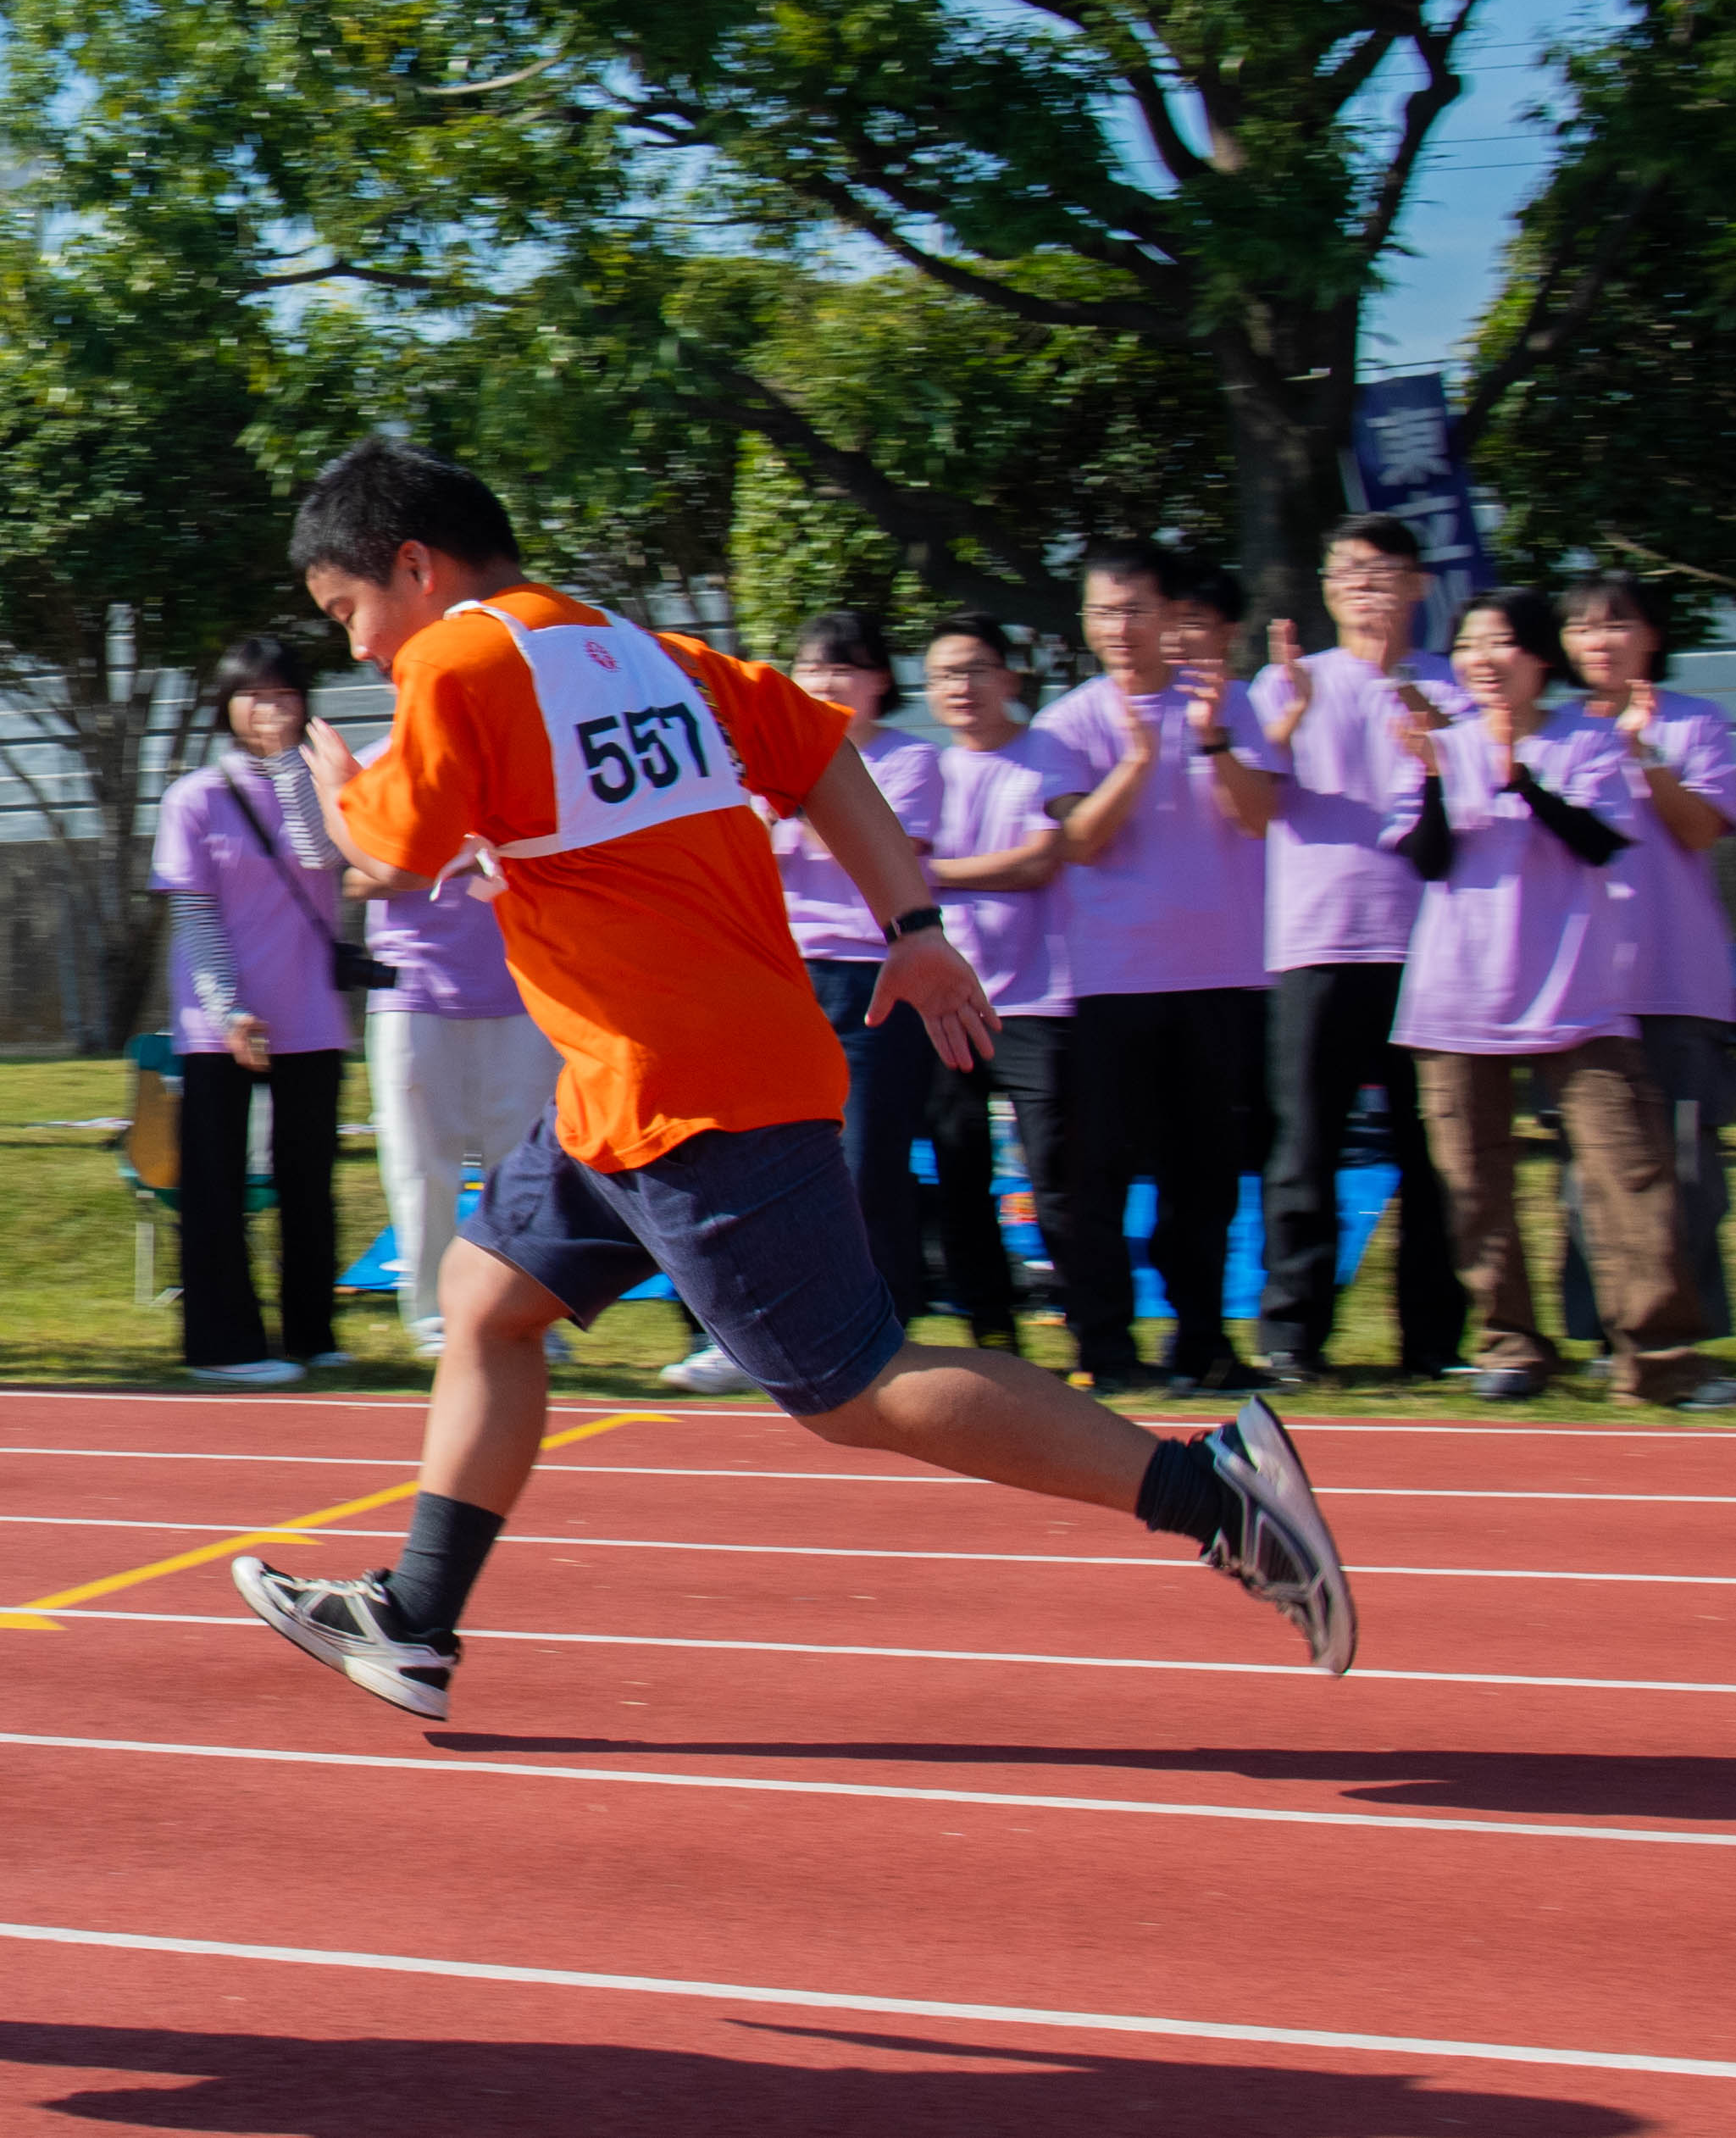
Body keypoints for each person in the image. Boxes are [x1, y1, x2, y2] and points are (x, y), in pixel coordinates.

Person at [227, 446, 1351, 1725]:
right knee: (483, 1298)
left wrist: (338, 793)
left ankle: (1218, 1498)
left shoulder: (456, 660)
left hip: (686, 1091)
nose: (361, 651)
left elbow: (396, 844)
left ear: (413, 566)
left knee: (853, 1384)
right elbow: (821, 759)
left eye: (348, 614)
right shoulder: (642, 653)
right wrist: (913, 923)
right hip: (632, 1079)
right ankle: (417, 1616)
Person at [1387, 588, 1726, 1409]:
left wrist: (1520, 782)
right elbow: (1424, 859)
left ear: (1538, 658)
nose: (1479, 659)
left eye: (1498, 643)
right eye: (1466, 646)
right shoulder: (1436, 742)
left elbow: (1602, 842)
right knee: (1474, 1184)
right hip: (1454, 995)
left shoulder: (1591, 739)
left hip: (1577, 992)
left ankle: (1655, 1353)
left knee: (1628, 1173)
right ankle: (1509, 1345)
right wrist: (1437, 776)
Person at [1033, 543, 1280, 1391]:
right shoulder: (1066, 722)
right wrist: (1136, 761)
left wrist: (1208, 740)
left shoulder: (1229, 705)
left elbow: (1257, 817)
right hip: (1109, 979)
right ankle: (1104, 1348)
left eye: (1134, 608)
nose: (1119, 628)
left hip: (1219, 973)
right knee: (1096, 1172)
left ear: (1172, 616)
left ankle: (1202, 1341)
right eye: (1102, 612)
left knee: (1203, 1175)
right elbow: (1078, 840)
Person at [1252, 516, 1470, 1385]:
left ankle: (1433, 1343)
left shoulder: (1454, 686)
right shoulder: (1287, 682)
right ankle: (1290, 1337)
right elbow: (1247, 795)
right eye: (1347, 572)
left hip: (1437, 951)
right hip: (1318, 942)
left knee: (1434, 1155)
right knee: (1305, 1144)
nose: (1365, 587)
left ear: (1418, 585)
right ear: (1326, 587)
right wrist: (1289, 712)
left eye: (1383, 573)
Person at [719, 608, 946, 1386]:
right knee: (769, 1158)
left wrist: (794, 804)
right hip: (783, 971)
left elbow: (856, 841)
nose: (823, 683)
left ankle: (885, 1325)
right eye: (809, 669)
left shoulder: (912, 761)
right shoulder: (764, 765)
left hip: (872, 975)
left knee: (866, 1163)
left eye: (842, 668)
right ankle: (767, 1329)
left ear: (880, 680)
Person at [153, 635, 358, 1386]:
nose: (269, 708)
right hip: (221, 1026)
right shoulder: (194, 799)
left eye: (284, 694)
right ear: (226, 706)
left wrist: (289, 767)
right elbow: (196, 915)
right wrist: (226, 1008)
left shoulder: (318, 784)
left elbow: (318, 857)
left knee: (309, 1181)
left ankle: (311, 1331)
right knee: (216, 1183)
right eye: (254, 695)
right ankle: (223, 1343)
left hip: (309, 1015)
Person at [1559, 573, 1735, 1348]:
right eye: (1584, 627)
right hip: (1577, 985)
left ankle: (1683, 1339)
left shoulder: (1699, 723)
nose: (1601, 641)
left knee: (1688, 1171)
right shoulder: (1546, 731)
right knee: (1588, 1167)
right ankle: (1599, 1333)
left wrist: (1644, 759)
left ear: (1651, 636)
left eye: (1618, 624)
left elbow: (1699, 831)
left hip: (1678, 979)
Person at [360, 759, 559, 1363]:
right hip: (413, 991)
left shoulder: (525, 751)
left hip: (524, 987)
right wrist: (439, 853)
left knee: (523, 1167)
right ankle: (433, 1320)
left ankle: (525, 1317)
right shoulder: (379, 760)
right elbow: (356, 873)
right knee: (422, 1168)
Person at [914, 614, 1076, 1354]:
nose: (960, 687)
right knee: (959, 1169)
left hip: (1041, 998)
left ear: (1010, 679)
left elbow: (1040, 860)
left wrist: (923, 874)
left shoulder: (1050, 755)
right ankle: (992, 1333)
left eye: (975, 669)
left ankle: (1093, 1335)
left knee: (1059, 1177)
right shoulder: (924, 769)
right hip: (950, 999)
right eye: (945, 674)